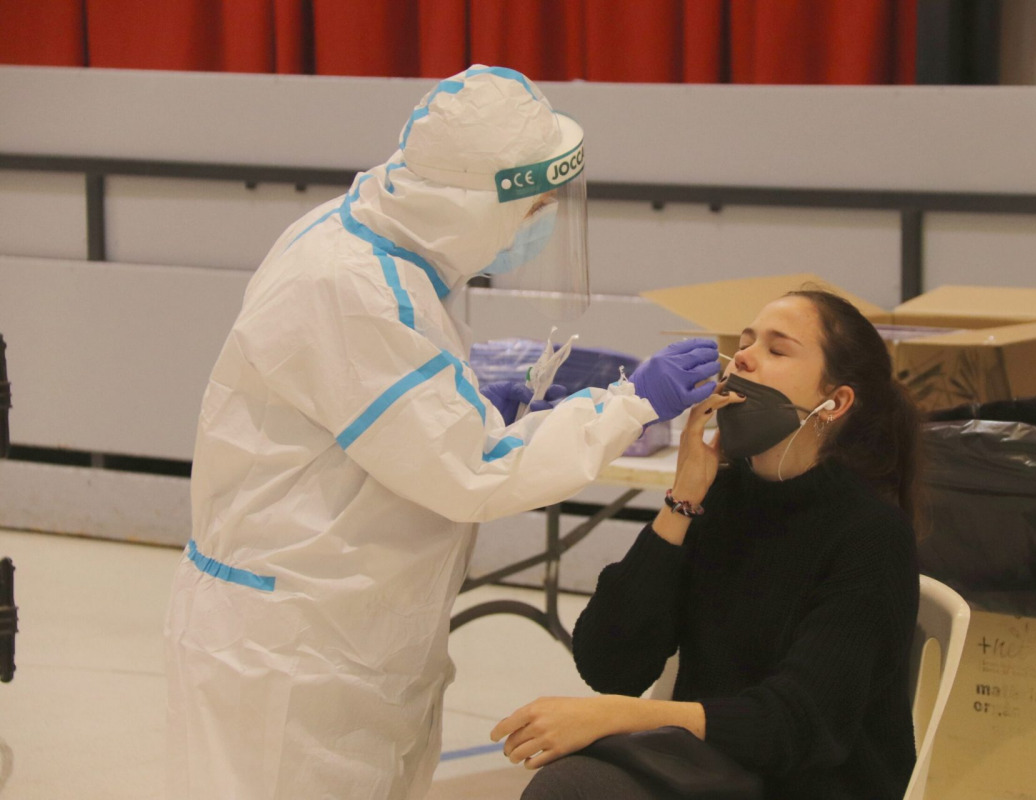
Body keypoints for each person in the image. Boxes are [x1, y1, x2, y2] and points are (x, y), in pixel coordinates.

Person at [162, 65, 720, 800]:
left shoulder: (378, 244)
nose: (541, 222)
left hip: (349, 629)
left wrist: (470, 399)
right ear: (473, 206)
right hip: (293, 652)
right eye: (533, 207)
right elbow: (473, 470)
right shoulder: (351, 284)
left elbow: (391, 416)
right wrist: (629, 406)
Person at [492, 288, 923, 800]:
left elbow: (800, 725)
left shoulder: (872, 535)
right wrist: (681, 503)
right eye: (744, 343)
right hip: (714, 770)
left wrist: (617, 717)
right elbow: (609, 664)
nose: (742, 358)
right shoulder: (720, 500)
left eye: (776, 349)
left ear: (836, 402)